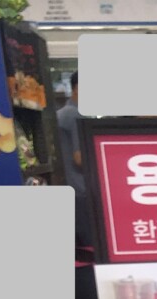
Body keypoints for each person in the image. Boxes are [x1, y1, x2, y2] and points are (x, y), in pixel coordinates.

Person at [56, 74, 93, 250]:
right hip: (81, 190)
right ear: (77, 88)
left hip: (70, 188)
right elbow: (80, 158)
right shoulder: (76, 115)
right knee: (91, 247)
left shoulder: (61, 113)